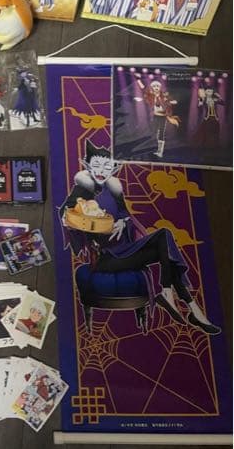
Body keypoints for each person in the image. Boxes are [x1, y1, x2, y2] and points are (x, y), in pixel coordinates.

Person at [59, 138, 221, 334]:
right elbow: (66, 213)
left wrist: (123, 221)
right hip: (106, 258)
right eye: (97, 165)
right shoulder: (83, 190)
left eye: (107, 167)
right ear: (88, 166)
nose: (101, 170)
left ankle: (185, 304)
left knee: (165, 241)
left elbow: (125, 214)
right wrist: (72, 221)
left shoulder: (113, 190)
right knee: (165, 245)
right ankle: (185, 306)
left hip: (125, 250)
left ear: (113, 169)